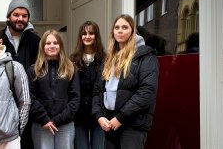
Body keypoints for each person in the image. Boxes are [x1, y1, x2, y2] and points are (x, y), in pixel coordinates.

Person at [92, 14, 159, 149]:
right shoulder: (109, 59)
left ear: (132, 31)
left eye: (125, 27)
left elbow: (146, 93)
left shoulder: (145, 57)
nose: (120, 31)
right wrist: (99, 116)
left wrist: (120, 118)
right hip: (110, 123)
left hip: (132, 125)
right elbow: (97, 91)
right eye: (117, 27)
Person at [28, 29, 80, 149]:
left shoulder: (71, 69)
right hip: (41, 124)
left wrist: (57, 120)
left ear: (60, 45)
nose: (52, 46)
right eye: (48, 43)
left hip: (65, 125)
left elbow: (75, 99)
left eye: (55, 43)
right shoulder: (33, 70)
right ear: (42, 46)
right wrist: (45, 119)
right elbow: (30, 98)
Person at [1, 0, 40, 148]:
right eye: (16, 15)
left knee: (27, 143)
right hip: (3, 103)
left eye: (24, 16)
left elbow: (41, 70)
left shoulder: (36, 41)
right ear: (8, 16)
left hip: (29, 102)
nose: (20, 19)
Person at [69, 21, 106, 149]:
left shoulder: (105, 59)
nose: (87, 36)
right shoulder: (72, 60)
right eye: (84, 33)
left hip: (100, 114)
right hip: (79, 114)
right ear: (80, 36)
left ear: (97, 36)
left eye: (91, 33)